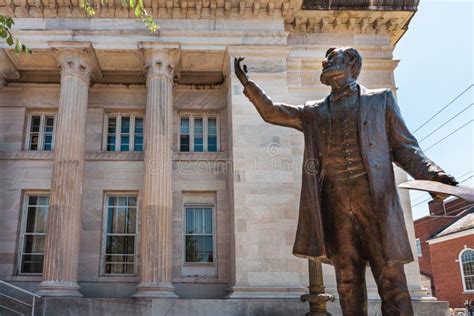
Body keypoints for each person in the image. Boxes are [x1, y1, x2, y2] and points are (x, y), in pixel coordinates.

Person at [234, 47, 458, 316]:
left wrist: (433, 176)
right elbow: (273, 112)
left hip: (375, 202)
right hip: (335, 205)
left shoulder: (380, 101)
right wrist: (249, 85)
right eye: (325, 59)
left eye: (333, 58)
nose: (325, 62)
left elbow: (405, 148)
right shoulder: (314, 111)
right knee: (347, 282)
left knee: (391, 278)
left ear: (351, 63)